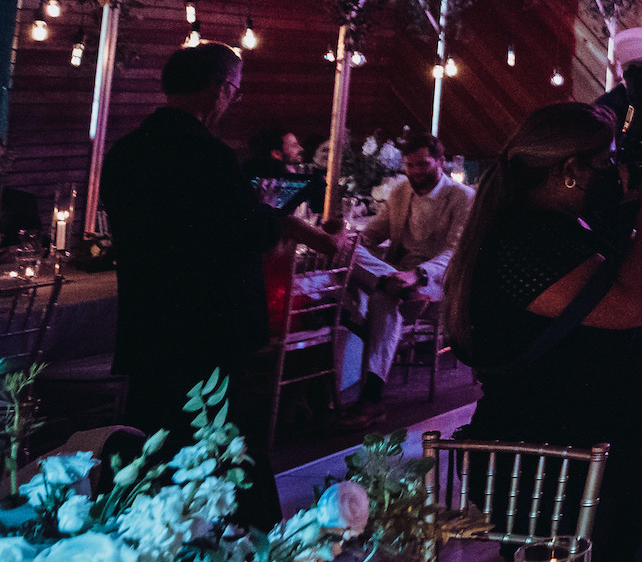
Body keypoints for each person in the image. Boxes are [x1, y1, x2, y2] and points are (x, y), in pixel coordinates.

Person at [442, 103, 642, 562]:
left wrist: (636, 211)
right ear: (570, 169)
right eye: (605, 161)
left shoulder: (550, 227)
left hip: (568, 446)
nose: (614, 170)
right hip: (551, 459)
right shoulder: (526, 239)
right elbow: (630, 305)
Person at [102, 43, 352, 529]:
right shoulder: (207, 154)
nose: (232, 102)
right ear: (220, 89)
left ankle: (147, 540)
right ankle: (231, 549)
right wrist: (296, 230)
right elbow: (248, 230)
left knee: (150, 441)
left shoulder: (125, 152)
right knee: (218, 442)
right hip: (206, 327)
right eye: (233, 92)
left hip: (148, 322)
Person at [343, 133, 474, 417]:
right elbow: (372, 235)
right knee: (345, 254)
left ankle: (372, 396)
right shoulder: (400, 192)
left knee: (382, 298)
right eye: (410, 165)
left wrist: (418, 275)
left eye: (423, 164)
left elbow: (456, 253)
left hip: (438, 282)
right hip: (399, 278)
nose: (415, 172)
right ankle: (400, 292)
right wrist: (346, 239)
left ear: (441, 161)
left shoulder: (462, 197)